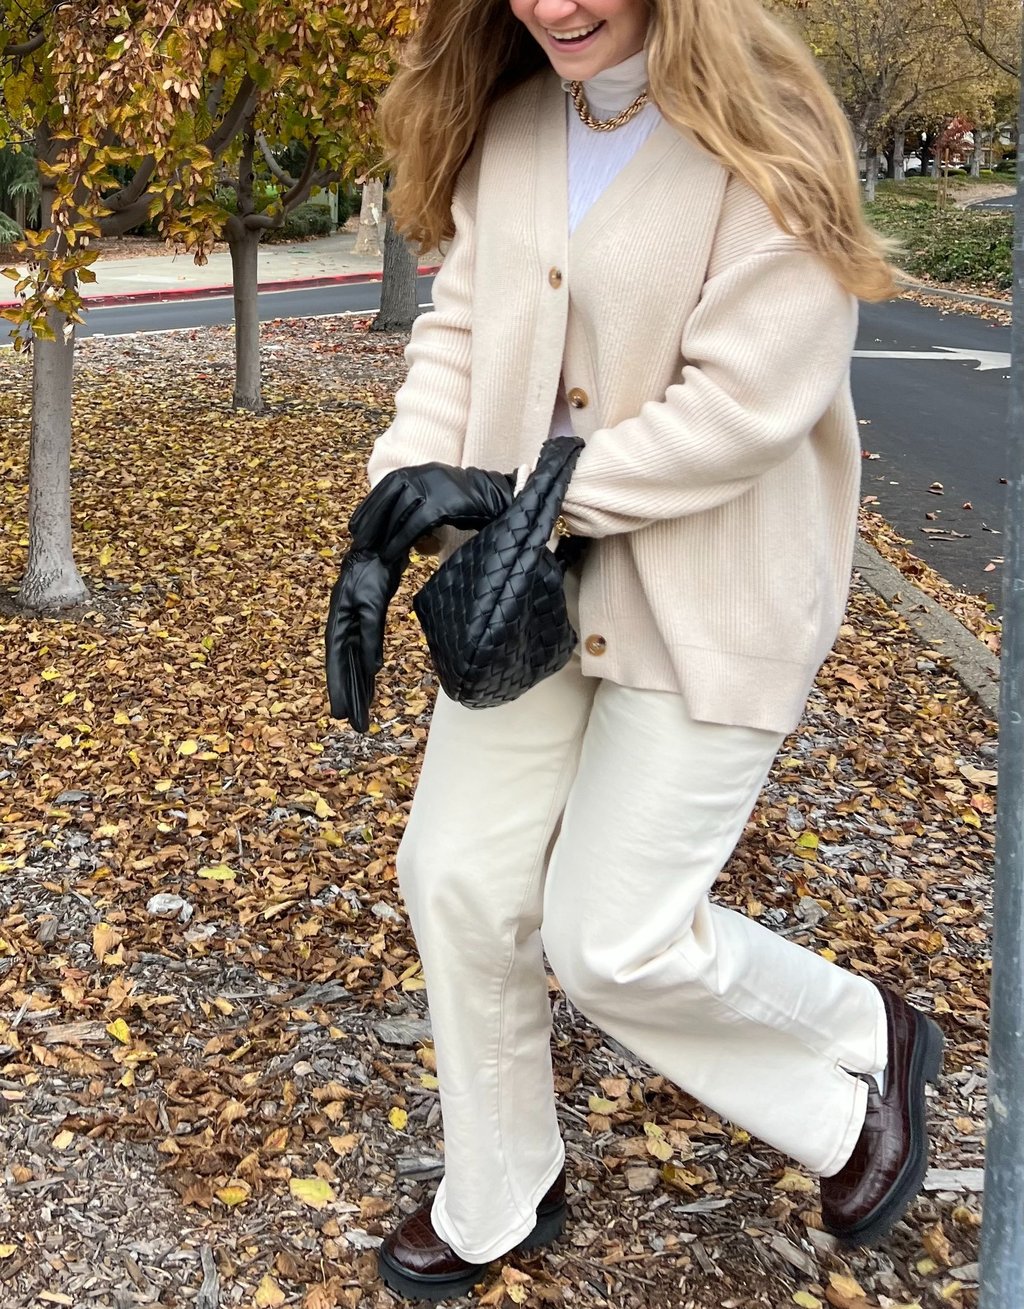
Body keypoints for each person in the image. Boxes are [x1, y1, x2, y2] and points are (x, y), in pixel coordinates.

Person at [350, 0, 945, 1300]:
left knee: (611, 939)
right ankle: (499, 1188)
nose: (554, 7)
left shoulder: (766, 135)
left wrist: (522, 499)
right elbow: (459, 335)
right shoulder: (514, 124)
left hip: (710, 593)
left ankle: (861, 1054)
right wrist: (401, 492)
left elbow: (745, 407)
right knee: (454, 874)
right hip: (531, 599)